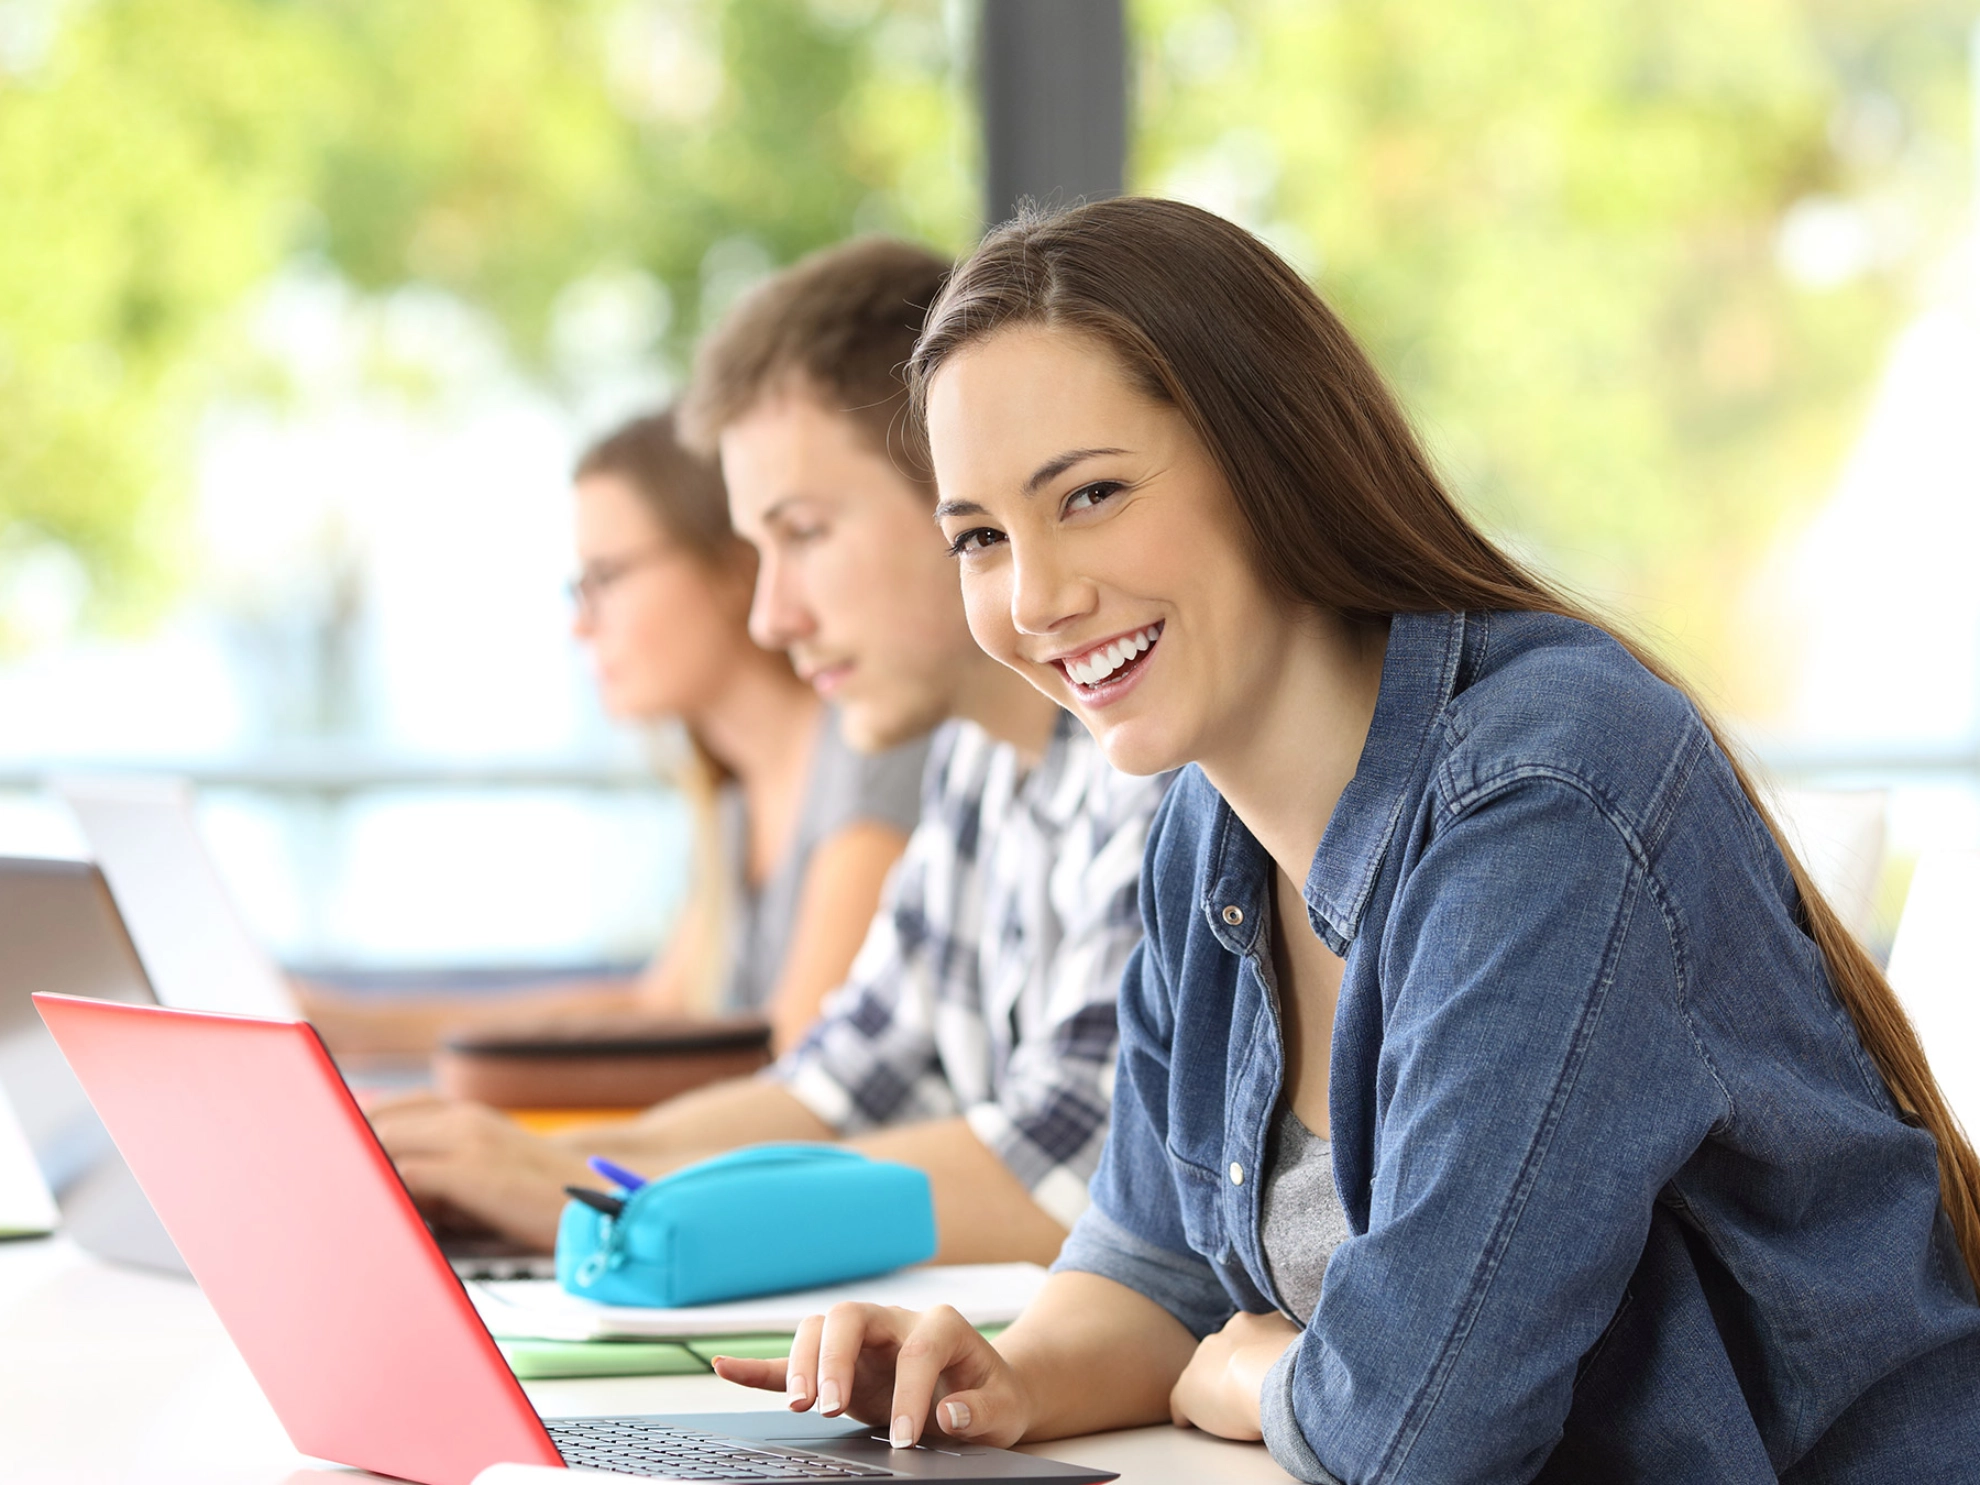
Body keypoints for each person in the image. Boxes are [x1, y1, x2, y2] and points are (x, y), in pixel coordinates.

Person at [712, 199, 1980, 1478]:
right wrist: (1006, 1378)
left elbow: (1420, 1432)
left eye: (1090, 496)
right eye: (980, 538)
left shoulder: (1543, 801)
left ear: (1271, 460)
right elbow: (1152, 1268)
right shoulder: (1205, 828)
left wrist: (1262, 1374)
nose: (1035, 598)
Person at [369, 239, 1173, 1263]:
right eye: (761, 549)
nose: (771, 617)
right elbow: (829, 1087)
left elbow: (1070, 1179)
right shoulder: (978, 766)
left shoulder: (1151, 767)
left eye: (805, 533)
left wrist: (604, 1199)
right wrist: (527, 1164)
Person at [301, 409, 925, 1057]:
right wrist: (354, 1026)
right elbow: (657, 1008)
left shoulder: (869, 752)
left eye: (605, 579)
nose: (581, 624)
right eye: (579, 588)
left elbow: (793, 1064)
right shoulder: (735, 797)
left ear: (731, 564)